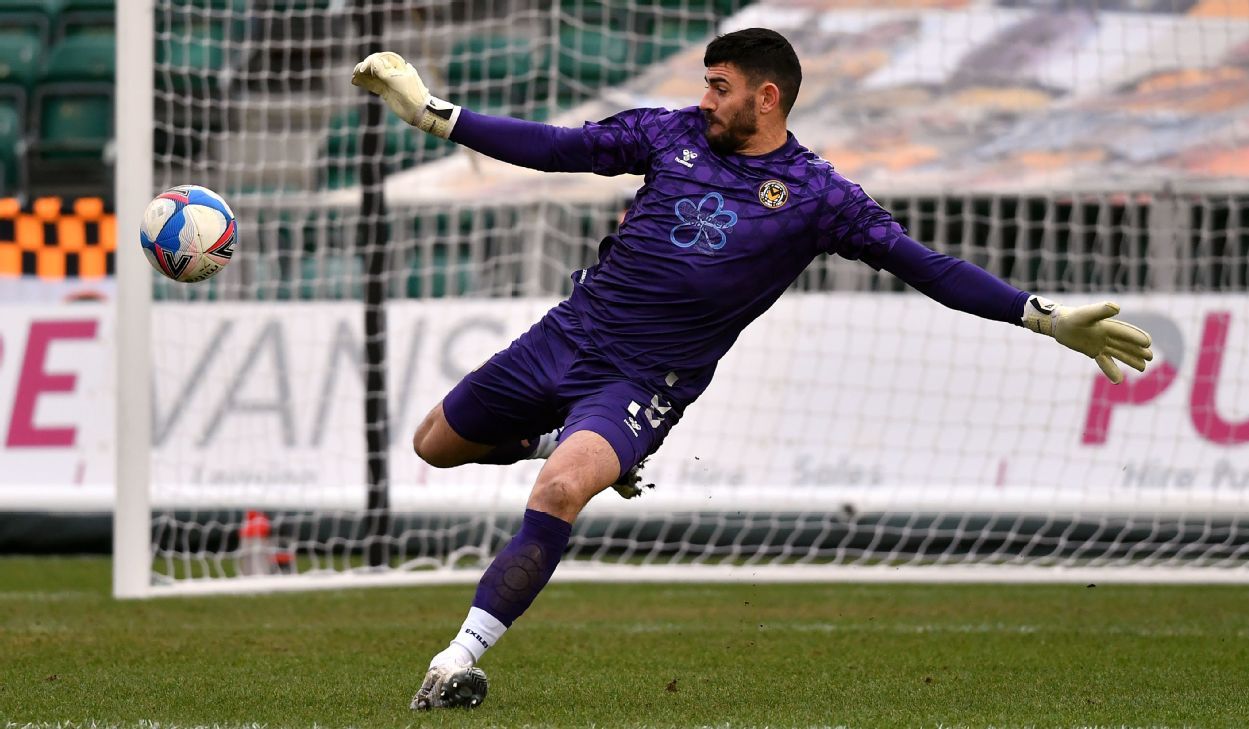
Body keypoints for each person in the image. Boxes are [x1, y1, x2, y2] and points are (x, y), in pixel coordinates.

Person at [351, 28, 1154, 710]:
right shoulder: (667, 134)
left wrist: (1041, 315)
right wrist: (434, 114)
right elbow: (560, 148)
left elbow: (927, 266)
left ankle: (458, 657)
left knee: (560, 490)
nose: (705, 99)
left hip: (642, 381)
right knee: (434, 445)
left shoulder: (817, 195)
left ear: (766, 98)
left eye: (720, 86)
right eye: (706, 84)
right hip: (566, 334)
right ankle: (559, 441)